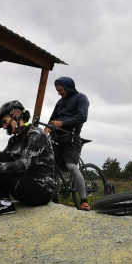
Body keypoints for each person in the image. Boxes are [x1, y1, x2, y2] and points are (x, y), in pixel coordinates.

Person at [44, 76, 91, 211]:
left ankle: (84, 201)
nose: (59, 93)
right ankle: (54, 197)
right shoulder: (59, 102)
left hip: (72, 139)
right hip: (57, 138)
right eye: (57, 90)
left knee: (71, 167)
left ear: (68, 87)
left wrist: (62, 123)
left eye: (60, 90)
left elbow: (82, 117)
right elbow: (52, 118)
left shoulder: (81, 98)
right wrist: (46, 129)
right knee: (51, 164)